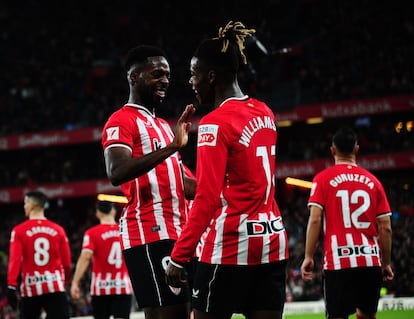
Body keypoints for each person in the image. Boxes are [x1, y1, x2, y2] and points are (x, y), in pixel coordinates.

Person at [165, 21, 289, 319]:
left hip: (230, 246)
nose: (190, 82)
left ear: (211, 76)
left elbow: (207, 199)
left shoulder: (214, 124)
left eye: (194, 74)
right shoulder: (265, 112)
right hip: (272, 242)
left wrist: (179, 257)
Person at [101, 44, 196, 319]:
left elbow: (183, 184)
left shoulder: (164, 126)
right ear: (133, 77)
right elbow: (116, 171)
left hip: (178, 232)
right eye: (156, 74)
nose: (165, 80)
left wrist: (228, 184)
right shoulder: (120, 120)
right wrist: (171, 148)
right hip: (149, 233)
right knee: (170, 313)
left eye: (167, 74)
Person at [300, 127, 394, 319]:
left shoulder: (322, 179)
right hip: (369, 260)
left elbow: (315, 219)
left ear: (332, 151)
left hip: (338, 261)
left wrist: (308, 256)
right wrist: (385, 263)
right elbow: (386, 227)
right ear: (357, 150)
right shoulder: (373, 182)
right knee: (367, 315)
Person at [7, 190, 72, 319]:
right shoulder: (58, 230)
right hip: (54, 286)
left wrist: (11, 285)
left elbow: (15, 260)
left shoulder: (19, 231)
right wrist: (65, 281)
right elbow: (67, 262)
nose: (24, 206)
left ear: (31, 206)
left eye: (25, 203)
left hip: (31, 289)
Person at [70, 200, 133, 319]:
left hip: (100, 288)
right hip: (122, 286)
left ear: (97, 214)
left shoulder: (91, 233)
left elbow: (86, 257)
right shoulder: (125, 231)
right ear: (114, 212)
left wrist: (75, 282)